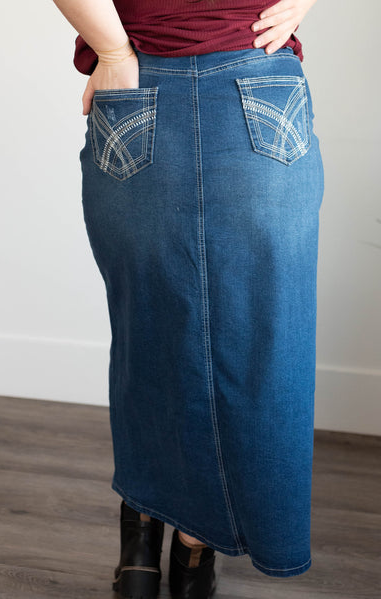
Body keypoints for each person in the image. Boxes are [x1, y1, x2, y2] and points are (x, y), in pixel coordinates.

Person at [52, 1, 322, 597]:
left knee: (153, 326)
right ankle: (178, 542)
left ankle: (158, 537)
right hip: (235, 81)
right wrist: (118, 53)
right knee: (254, 340)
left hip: (173, 77)